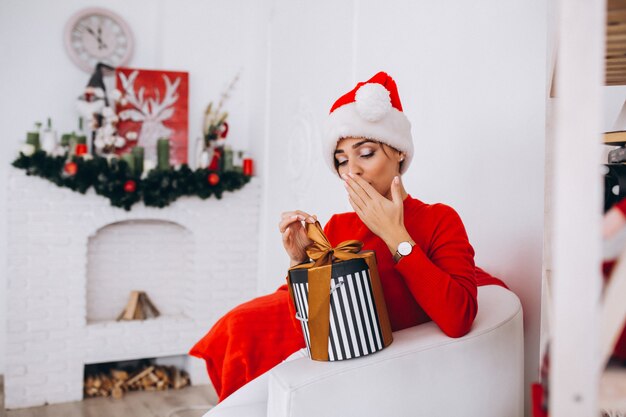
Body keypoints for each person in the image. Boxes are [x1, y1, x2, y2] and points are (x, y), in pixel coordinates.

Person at [189, 71, 505, 402]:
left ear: (398, 152)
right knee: (241, 323)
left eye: (365, 153)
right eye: (341, 161)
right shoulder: (338, 226)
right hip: (334, 372)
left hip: (387, 379)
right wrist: (299, 262)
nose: (351, 170)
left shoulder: (439, 218)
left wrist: (394, 235)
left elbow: (458, 320)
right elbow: (312, 333)